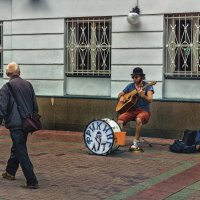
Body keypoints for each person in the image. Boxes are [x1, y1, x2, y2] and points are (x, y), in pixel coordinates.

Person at [0, 62, 39, 189]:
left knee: (21, 150)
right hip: (27, 123)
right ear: (19, 72)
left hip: (15, 124)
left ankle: (32, 181)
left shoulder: (7, 87)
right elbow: (35, 106)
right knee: (17, 147)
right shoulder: (28, 85)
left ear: (8, 74)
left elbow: (2, 108)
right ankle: (10, 172)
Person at [117, 67, 154, 152]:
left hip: (144, 111)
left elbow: (150, 99)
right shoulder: (130, 86)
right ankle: (119, 141)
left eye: (136, 77)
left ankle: (135, 142)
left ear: (141, 77)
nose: (134, 79)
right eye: (133, 77)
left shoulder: (148, 86)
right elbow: (119, 94)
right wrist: (122, 97)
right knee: (120, 120)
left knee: (139, 119)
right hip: (131, 110)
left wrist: (142, 95)